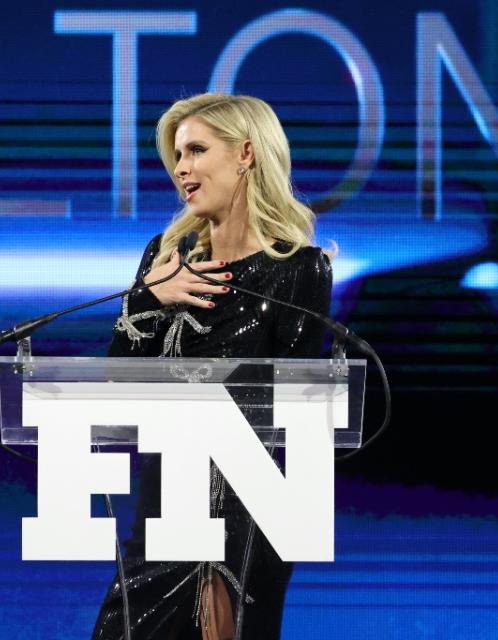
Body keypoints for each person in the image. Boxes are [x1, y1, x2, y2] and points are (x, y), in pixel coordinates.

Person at [92, 94, 333, 640]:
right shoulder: (167, 253)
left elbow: (287, 426)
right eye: (177, 155)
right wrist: (150, 298)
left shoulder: (298, 270)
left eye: (197, 150)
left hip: (244, 525)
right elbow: (116, 386)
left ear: (246, 153)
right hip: (161, 516)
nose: (181, 168)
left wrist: (224, 556)